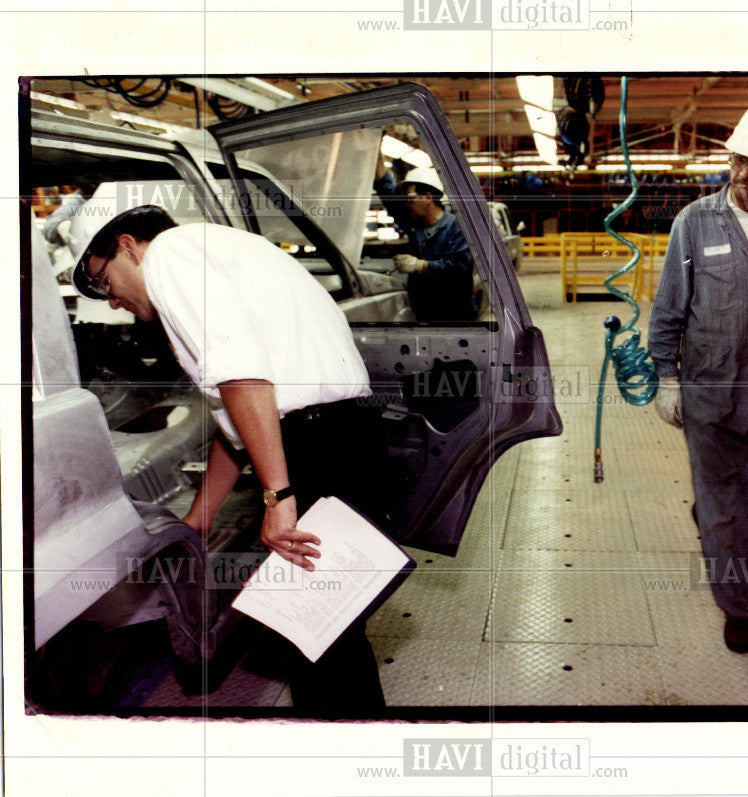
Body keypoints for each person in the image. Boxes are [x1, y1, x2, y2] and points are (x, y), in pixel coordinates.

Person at [70, 200, 388, 715]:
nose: (111, 302)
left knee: (321, 636)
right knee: (325, 630)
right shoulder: (215, 249)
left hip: (314, 444)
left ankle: (351, 760)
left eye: (104, 281)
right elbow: (236, 420)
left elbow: (245, 379)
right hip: (342, 438)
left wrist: (278, 497)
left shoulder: (171, 256)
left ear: (128, 245)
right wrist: (202, 516)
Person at [649, 100, 748, 653]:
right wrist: (664, 377)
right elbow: (669, 305)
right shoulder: (694, 223)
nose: (745, 174)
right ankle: (740, 605)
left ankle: (717, 519)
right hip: (710, 389)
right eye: (739, 160)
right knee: (725, 507)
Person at [373, 155, 477, 321]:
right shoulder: (414, 224)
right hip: (423, 312)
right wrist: (379, 171)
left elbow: (460, 266)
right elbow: (391, 199)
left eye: (410, 197)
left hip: (455, 315)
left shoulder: (456, 227)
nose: (407, 203)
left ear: (428, 197)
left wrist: (421, 266)